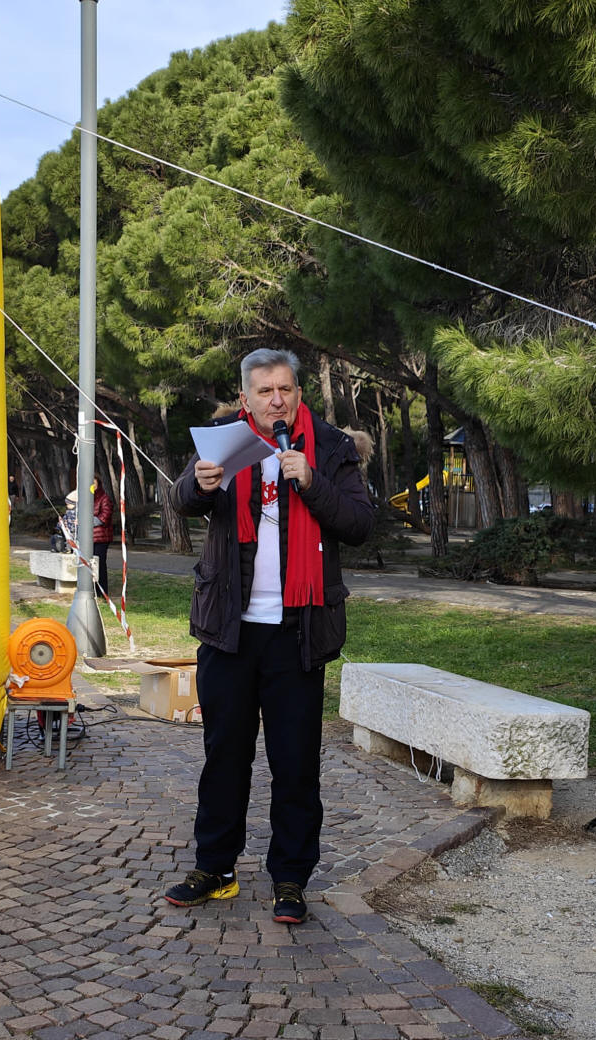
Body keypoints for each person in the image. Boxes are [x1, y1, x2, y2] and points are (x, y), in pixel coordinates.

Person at [164, 348, 374, 924]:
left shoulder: (330, 446)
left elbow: (360, 524)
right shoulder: (223, 441)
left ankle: (290, 878)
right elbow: (177, 500)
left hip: (298, 630)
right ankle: (215, 868)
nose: (276, 400)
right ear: (246, 398)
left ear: (298, 392)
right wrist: (201, 486)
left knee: (295, 763)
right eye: (265, 391)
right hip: (228, 630)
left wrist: (311, 481)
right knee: (224, 756)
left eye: (285, 389)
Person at [92, 474, 114, 597]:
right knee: (90, 565)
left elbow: (105, 517)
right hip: (89, 538)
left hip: (101, 538)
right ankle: (93, 589)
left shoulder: (104, 498)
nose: (92, 485)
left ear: (98, 484)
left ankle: (102, 592)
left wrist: (88, 521)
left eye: (94, 483)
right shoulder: (86, 498)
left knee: (99, 565)